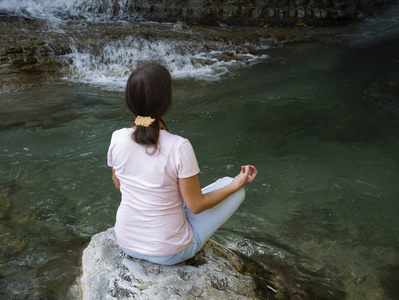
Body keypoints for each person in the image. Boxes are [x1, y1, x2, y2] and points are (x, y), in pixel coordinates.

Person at [107, 63, 257, 265]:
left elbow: (118, 184)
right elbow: (196, 206)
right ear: (166, 101)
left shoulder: (117, 138)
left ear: (130, 100)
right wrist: (236, 184)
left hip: (126, 241)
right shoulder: (179, 146)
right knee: (233, 188)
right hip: (169, 252)